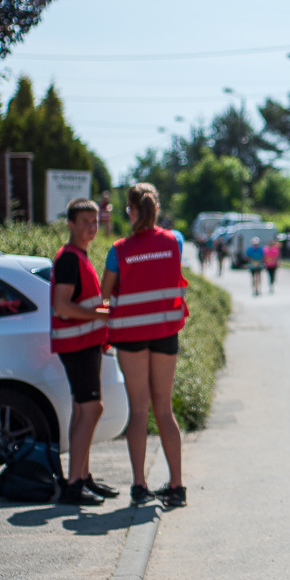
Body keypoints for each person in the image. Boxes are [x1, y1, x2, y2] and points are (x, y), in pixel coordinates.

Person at [102, 183, 189, 509]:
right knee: (164, 409)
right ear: (156, 208)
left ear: (132, 211)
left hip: (131, 336)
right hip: (166, 332)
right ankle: (177, 486)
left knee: (139, 410)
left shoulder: (119, 250)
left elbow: (104, 294)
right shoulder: (175, 241)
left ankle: (139, 486)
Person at [50, 198, 115, 506]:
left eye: (95, 221)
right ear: (71, 225)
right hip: (76, 344)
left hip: (84, 343)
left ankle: (82, 477)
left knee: (82, 409)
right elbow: (62, 306)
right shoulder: (68, 259)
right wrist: (103, 316)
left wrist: (104, 312)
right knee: (92, 409)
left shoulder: (79, 256)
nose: (91, 227)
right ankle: (74, 485)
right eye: (85, 222)